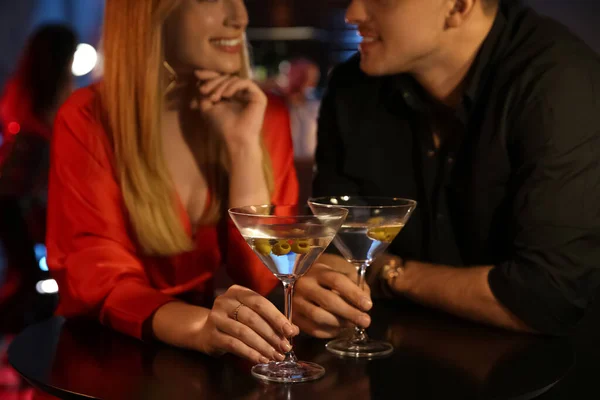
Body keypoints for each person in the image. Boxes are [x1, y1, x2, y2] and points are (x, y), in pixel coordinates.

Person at [293, 0, 600, 337]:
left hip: (549, 370)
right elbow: (334, 256)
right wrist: (316, 293)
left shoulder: (559, 82)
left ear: (458, 6)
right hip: (383, 361)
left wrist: (389, 274)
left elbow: (547, 297)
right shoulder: (353, 86)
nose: (352, 14)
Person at [47, 0, 299, 364]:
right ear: (147, 12)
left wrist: (243, 147)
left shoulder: (264, 113)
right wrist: (199, 328)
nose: (239, 17)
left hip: (221, 359)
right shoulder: (87, 118)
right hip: (109, 357)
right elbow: (96, 276)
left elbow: (263, 277)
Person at [0, 24, 77, 308]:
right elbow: (11, 195)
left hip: (33, 237)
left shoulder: (26, 114)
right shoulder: (35, 135)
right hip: (33, 240)